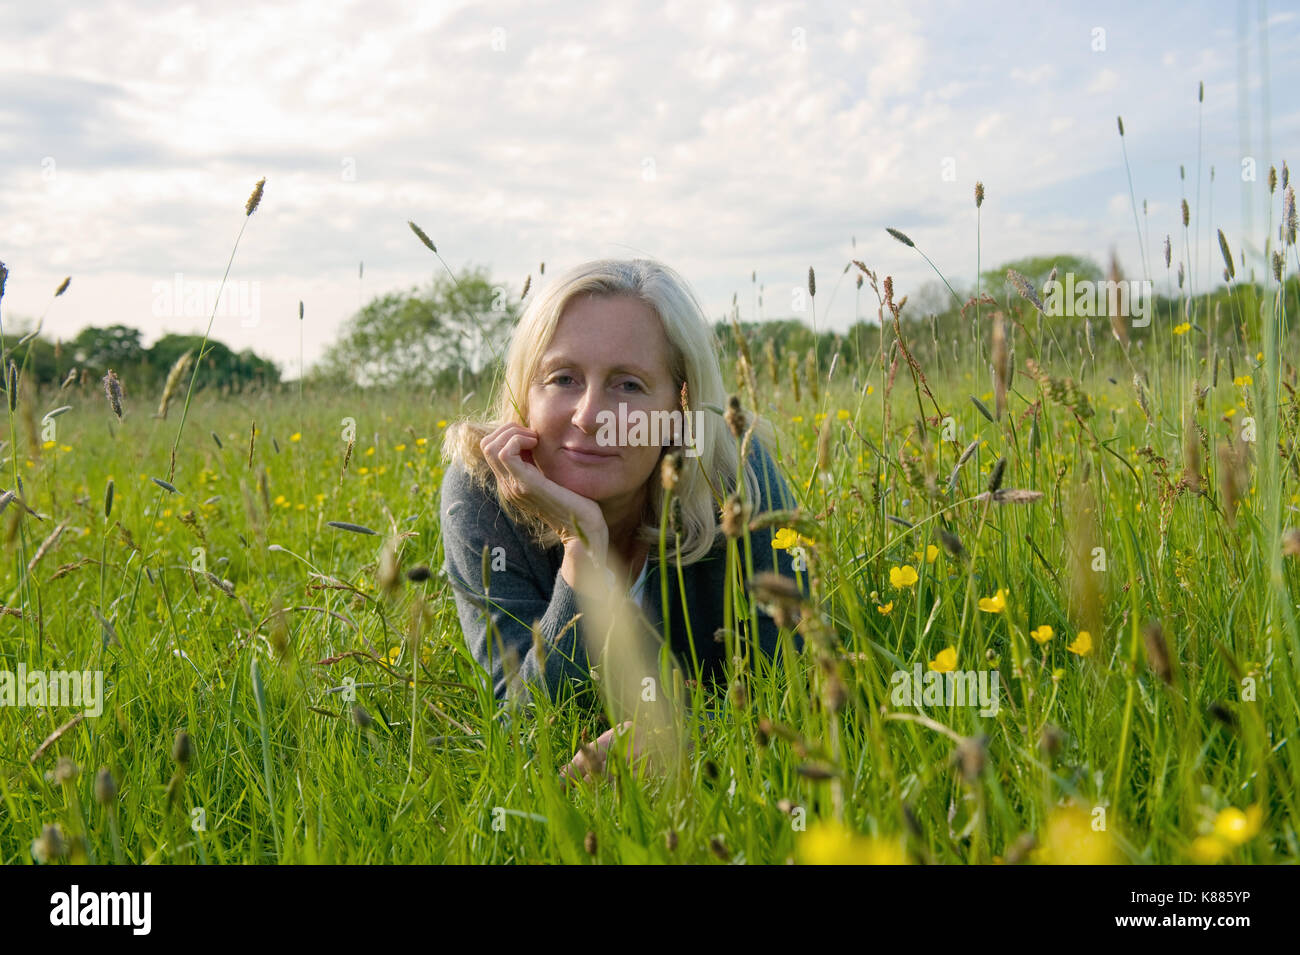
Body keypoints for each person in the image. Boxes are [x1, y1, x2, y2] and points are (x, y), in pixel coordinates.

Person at [438, 258, 804, 772]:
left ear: (680, 411)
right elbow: (526, 724)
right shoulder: (481, 490)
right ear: (524, 393)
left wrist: (689, 736)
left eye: (628, 385)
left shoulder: (735, 472)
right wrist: (581, 543)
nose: (589, 417)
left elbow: (795, 684)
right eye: (563, 378)